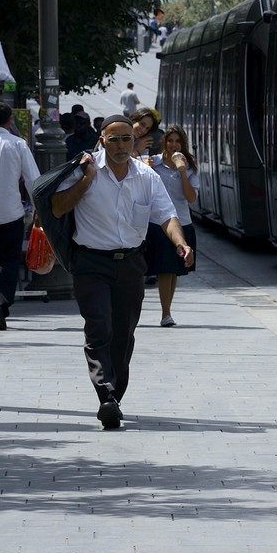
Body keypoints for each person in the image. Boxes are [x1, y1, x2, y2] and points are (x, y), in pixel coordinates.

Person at [50, 113, 193, 429]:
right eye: (113, 139)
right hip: (90, 264)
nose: (120, 145)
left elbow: (167, 216)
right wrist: (86, 181)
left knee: (123, 335)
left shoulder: (146, 176)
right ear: (102, 140)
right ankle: (106, 397)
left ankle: (114, 396)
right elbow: (58, 207)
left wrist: (181, 243)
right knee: (99, 328)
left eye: (126, 139)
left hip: (130, 264)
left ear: (134, 141)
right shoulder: (84, 169)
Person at [147, 126, 198, 327]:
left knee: (174, 270)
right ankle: (166, 313)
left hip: (182, 222)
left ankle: (166, 311)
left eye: (177, 141)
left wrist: (182, 171)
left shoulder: (188, 166)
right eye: (170, 140)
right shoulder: (153, 163)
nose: (173, 145)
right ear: (164, 142)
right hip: (157, 223)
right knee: (165, 269)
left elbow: (191, 198)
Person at [0, 103, 41, 331]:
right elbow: (33, 181)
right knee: (8, 261)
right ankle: (2, 305)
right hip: (9, 213)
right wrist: (39, 211)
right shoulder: (17, 144)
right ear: (9, 121)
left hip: (10, 211)